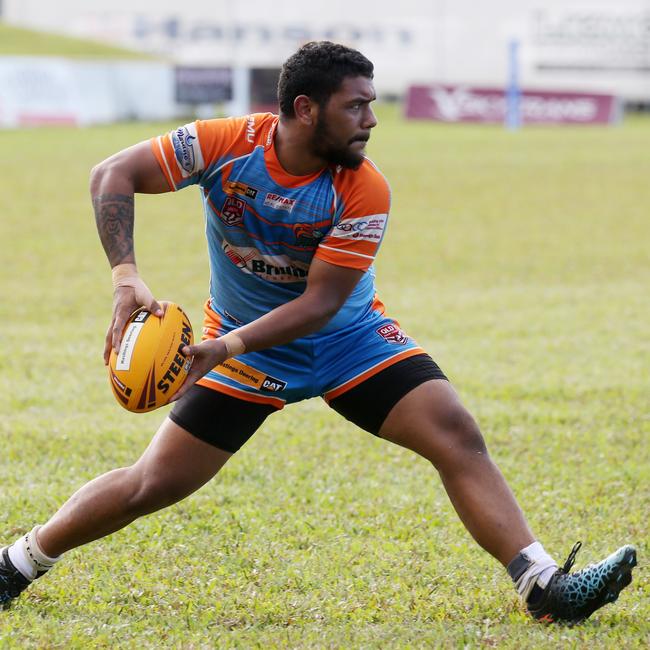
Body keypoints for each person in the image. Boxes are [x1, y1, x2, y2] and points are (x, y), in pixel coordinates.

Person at [1, 41, 636, 623]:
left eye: (372, 104)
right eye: (356, 106)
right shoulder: (224, 144)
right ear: (305, 109)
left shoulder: (364, 188)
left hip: (344, 341)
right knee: (151, 483)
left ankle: (543, 587)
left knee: (455, 432)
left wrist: (221, 349)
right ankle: (15, 565)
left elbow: (321, 304)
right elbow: (110, 173)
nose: (371, 120)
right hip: (245, 353)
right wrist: (125, 277)